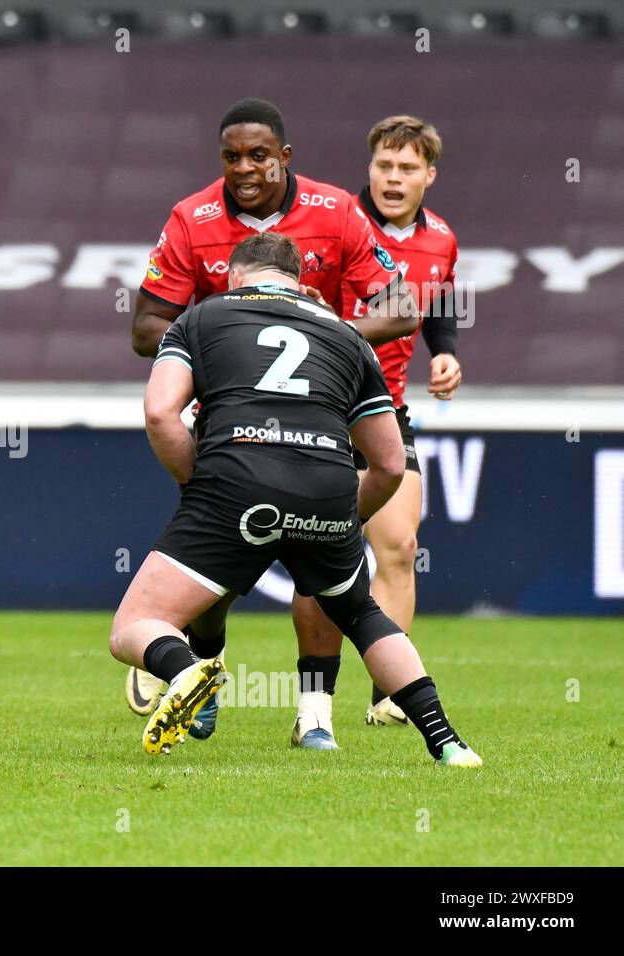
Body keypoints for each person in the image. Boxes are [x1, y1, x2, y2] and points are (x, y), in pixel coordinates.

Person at [111, 232, 480, 767]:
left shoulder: (202, 317)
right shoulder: (347, 336)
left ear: (236, 276)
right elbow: (391, 462)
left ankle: (185, 668)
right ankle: (447, 741)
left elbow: (159, 413)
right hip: (329, 484)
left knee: (133, 626)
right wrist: (342, 519)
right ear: (300, 283)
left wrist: (201, 486)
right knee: (361, 613)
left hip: (233, 484)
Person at [124, 98, 419, 748]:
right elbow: (144, 326)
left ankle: (314, 715)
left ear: (285, 157)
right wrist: (219, 334)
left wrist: (316, 332)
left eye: (259, 156)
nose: (245, 169)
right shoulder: (191, 219)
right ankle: (205, 665)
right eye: (232, 157)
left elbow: (401, 308)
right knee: (215, 575)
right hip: (229, 425)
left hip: (323, 417)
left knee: (323, 568)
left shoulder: (338, 210)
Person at [291, 115, 464, 738]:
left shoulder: (442, 238)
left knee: (399, 547)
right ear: (369, 169)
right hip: (318, 406)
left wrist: (443, 353)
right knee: (316, 555)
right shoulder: (338, 224)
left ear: (429, 176)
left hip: (384, 408)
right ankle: (197, 655)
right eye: (384, 166)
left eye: (408, 168)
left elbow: (439, 303)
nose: (394, 178)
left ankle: (390, 693)